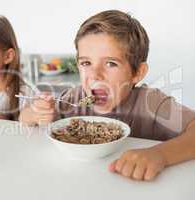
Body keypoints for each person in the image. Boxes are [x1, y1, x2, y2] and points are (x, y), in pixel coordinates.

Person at [19, 10, 195, 181]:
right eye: (86, 62)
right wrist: (35, 112)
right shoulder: (73, 99)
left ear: (137, 73)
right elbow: (25, 118)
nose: (95, 74)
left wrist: (160, 155)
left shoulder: (151, 103)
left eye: (110, 63)